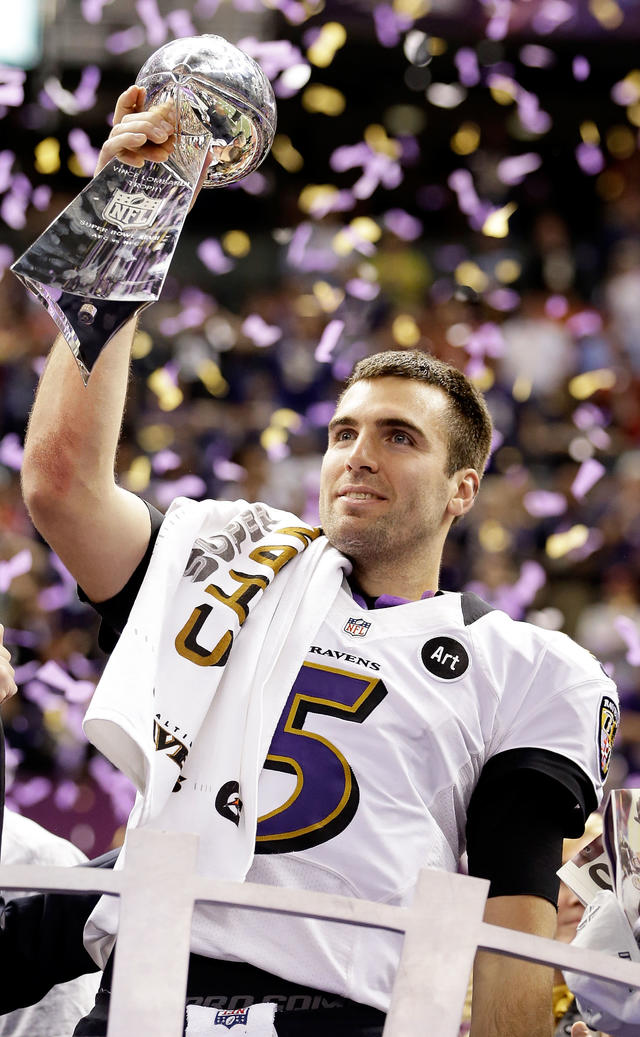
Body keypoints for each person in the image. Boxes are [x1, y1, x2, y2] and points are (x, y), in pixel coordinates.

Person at [19, 87, 619, 1037]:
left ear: (464, 489)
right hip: (142, 1000)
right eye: (343, 431)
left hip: (345, 1017)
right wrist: (128, 218)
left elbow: (512, 919)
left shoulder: (525, 664)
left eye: (398, 437)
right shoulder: (235, 558)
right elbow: (60, 486)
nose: (358, 454)